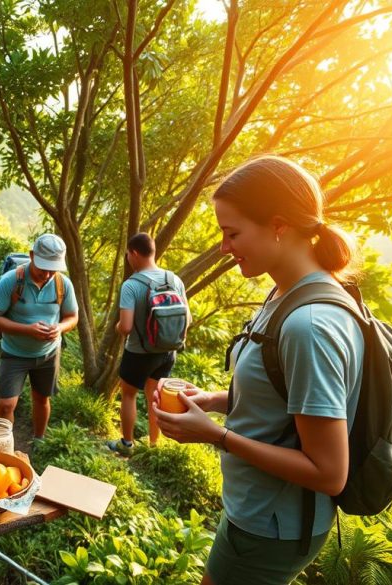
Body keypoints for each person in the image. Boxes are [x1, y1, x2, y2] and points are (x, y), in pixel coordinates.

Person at [153, 156, 363, 585]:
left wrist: (216, 434)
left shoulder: (309, 326)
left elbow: (329, 472)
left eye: (233, 233)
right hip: (261, 513)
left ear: (279, 225)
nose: (225, 248)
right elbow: (289, 398)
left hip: (273, 527)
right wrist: (213, 401)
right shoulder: (289, 293)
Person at [0, 234, 78, 441]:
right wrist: (28, 330)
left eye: (52, 269)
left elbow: (72, 317)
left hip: (48, 354)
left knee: (42, 398)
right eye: (42, 267)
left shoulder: (63, 284)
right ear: (31, 256)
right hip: (14, 353)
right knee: (7, 404)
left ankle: (39, 440)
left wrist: (60, 328)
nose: (47, 274)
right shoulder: (10, 281)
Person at [107, 233, 190, 454]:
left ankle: (126, 444)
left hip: (139, 352)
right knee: (155, 396)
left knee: (129, 395)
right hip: (167, 352)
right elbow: (187, 320)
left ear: (134, 253)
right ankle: (154, 444)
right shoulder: (174, 280)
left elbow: (125, 327)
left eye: (127, 255)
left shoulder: (131, 285)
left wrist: (116, 327)